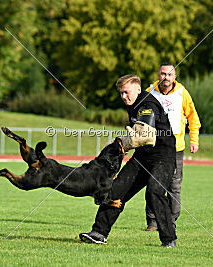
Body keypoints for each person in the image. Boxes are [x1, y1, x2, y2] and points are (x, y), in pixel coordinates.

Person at [79, 74, 178, 247]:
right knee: (115, 191)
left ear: (138, 89)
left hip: (163, 157)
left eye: (127, 92)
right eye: (121, 93)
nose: (124, 97)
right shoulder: (134, 105)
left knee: (154, 192)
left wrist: (118, 145)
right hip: (143, 157)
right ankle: (99, 233)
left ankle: (168, 239)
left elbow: (143, 136)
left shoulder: (147, 104)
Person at [144, 62, 201, 231]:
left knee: (174, 186)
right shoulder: (149, 93)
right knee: (153, 183)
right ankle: (152, 222)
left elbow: (193, 118)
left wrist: (194, 140)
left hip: (176, 148)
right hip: (154, 146)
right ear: (158, 75)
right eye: (163, 74)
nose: (166, 77)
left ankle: (171, 221)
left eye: (169, 74)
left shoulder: (183, 93)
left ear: (175, 77)